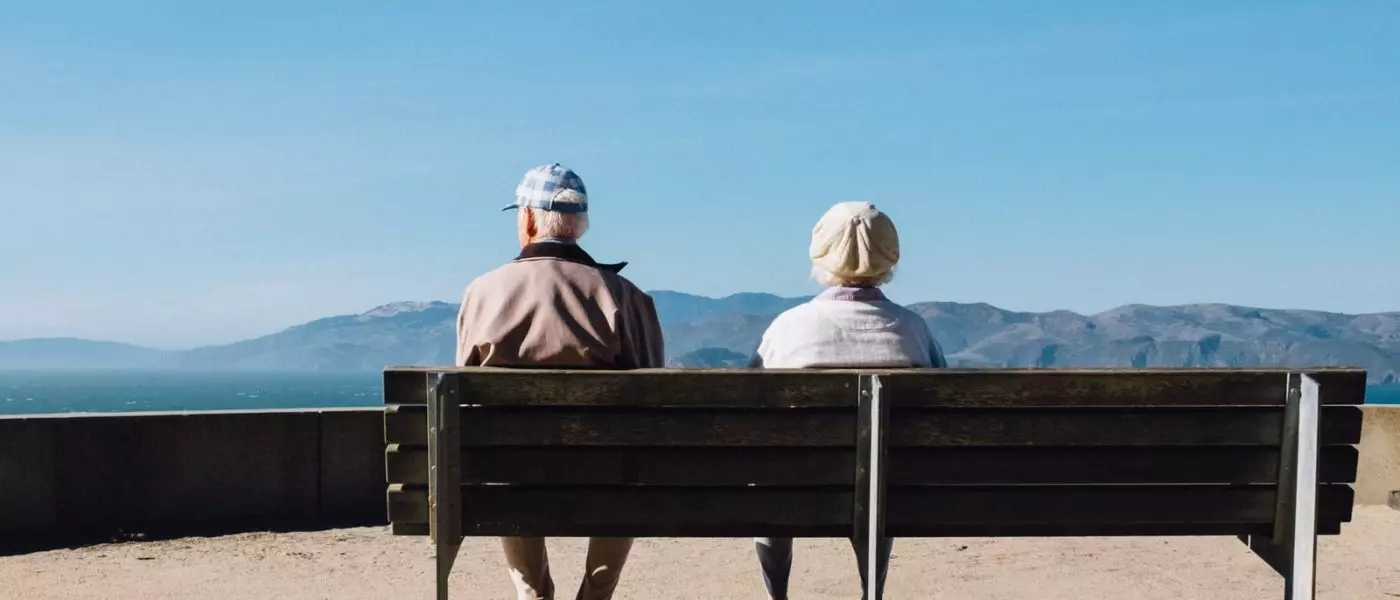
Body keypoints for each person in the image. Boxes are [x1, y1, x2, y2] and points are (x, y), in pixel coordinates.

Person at [456, 163, 665, 600]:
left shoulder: (483, 292)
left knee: (503, 462)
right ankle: (596, 593)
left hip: (512, 476)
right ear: (579, 225)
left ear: (529, 219)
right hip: (605, 476)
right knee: (630, 466)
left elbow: (465, 404)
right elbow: (654, 400)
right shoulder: (624, 295)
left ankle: (533, 592)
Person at [749, 201, 947, 600]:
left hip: (794, 490)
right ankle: (870, 592)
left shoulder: (788, 328)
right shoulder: (913, 330)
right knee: (877, 479)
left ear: (820, 254)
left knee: (771, 475)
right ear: (891, 256)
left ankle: (778, 596)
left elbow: (746, 409)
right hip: (890, 492)